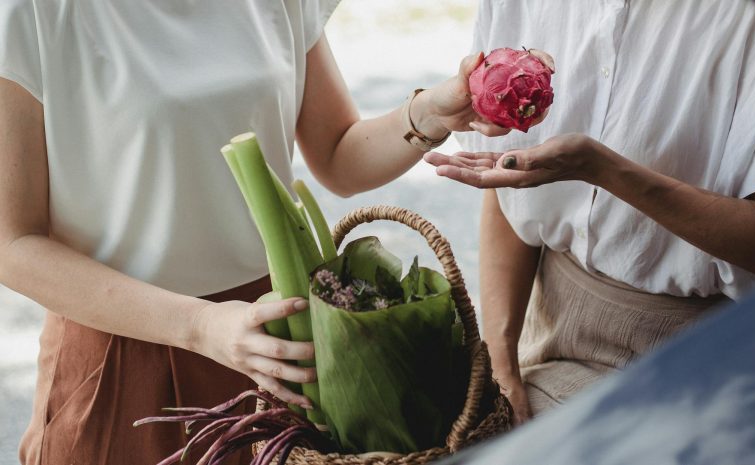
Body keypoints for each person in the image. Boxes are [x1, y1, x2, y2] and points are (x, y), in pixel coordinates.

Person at [0, 2, 499, 464]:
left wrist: (429, 114)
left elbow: (339, 155)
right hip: (122, 349)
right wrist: (199, 325)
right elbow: (11, 243)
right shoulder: (31, 13)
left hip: (276, 343)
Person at [425, 0, 755, 426]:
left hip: (709, 359)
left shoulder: (747, 20)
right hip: (552, 331)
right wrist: (500, 361)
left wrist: (605, 170)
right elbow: (505, 186)